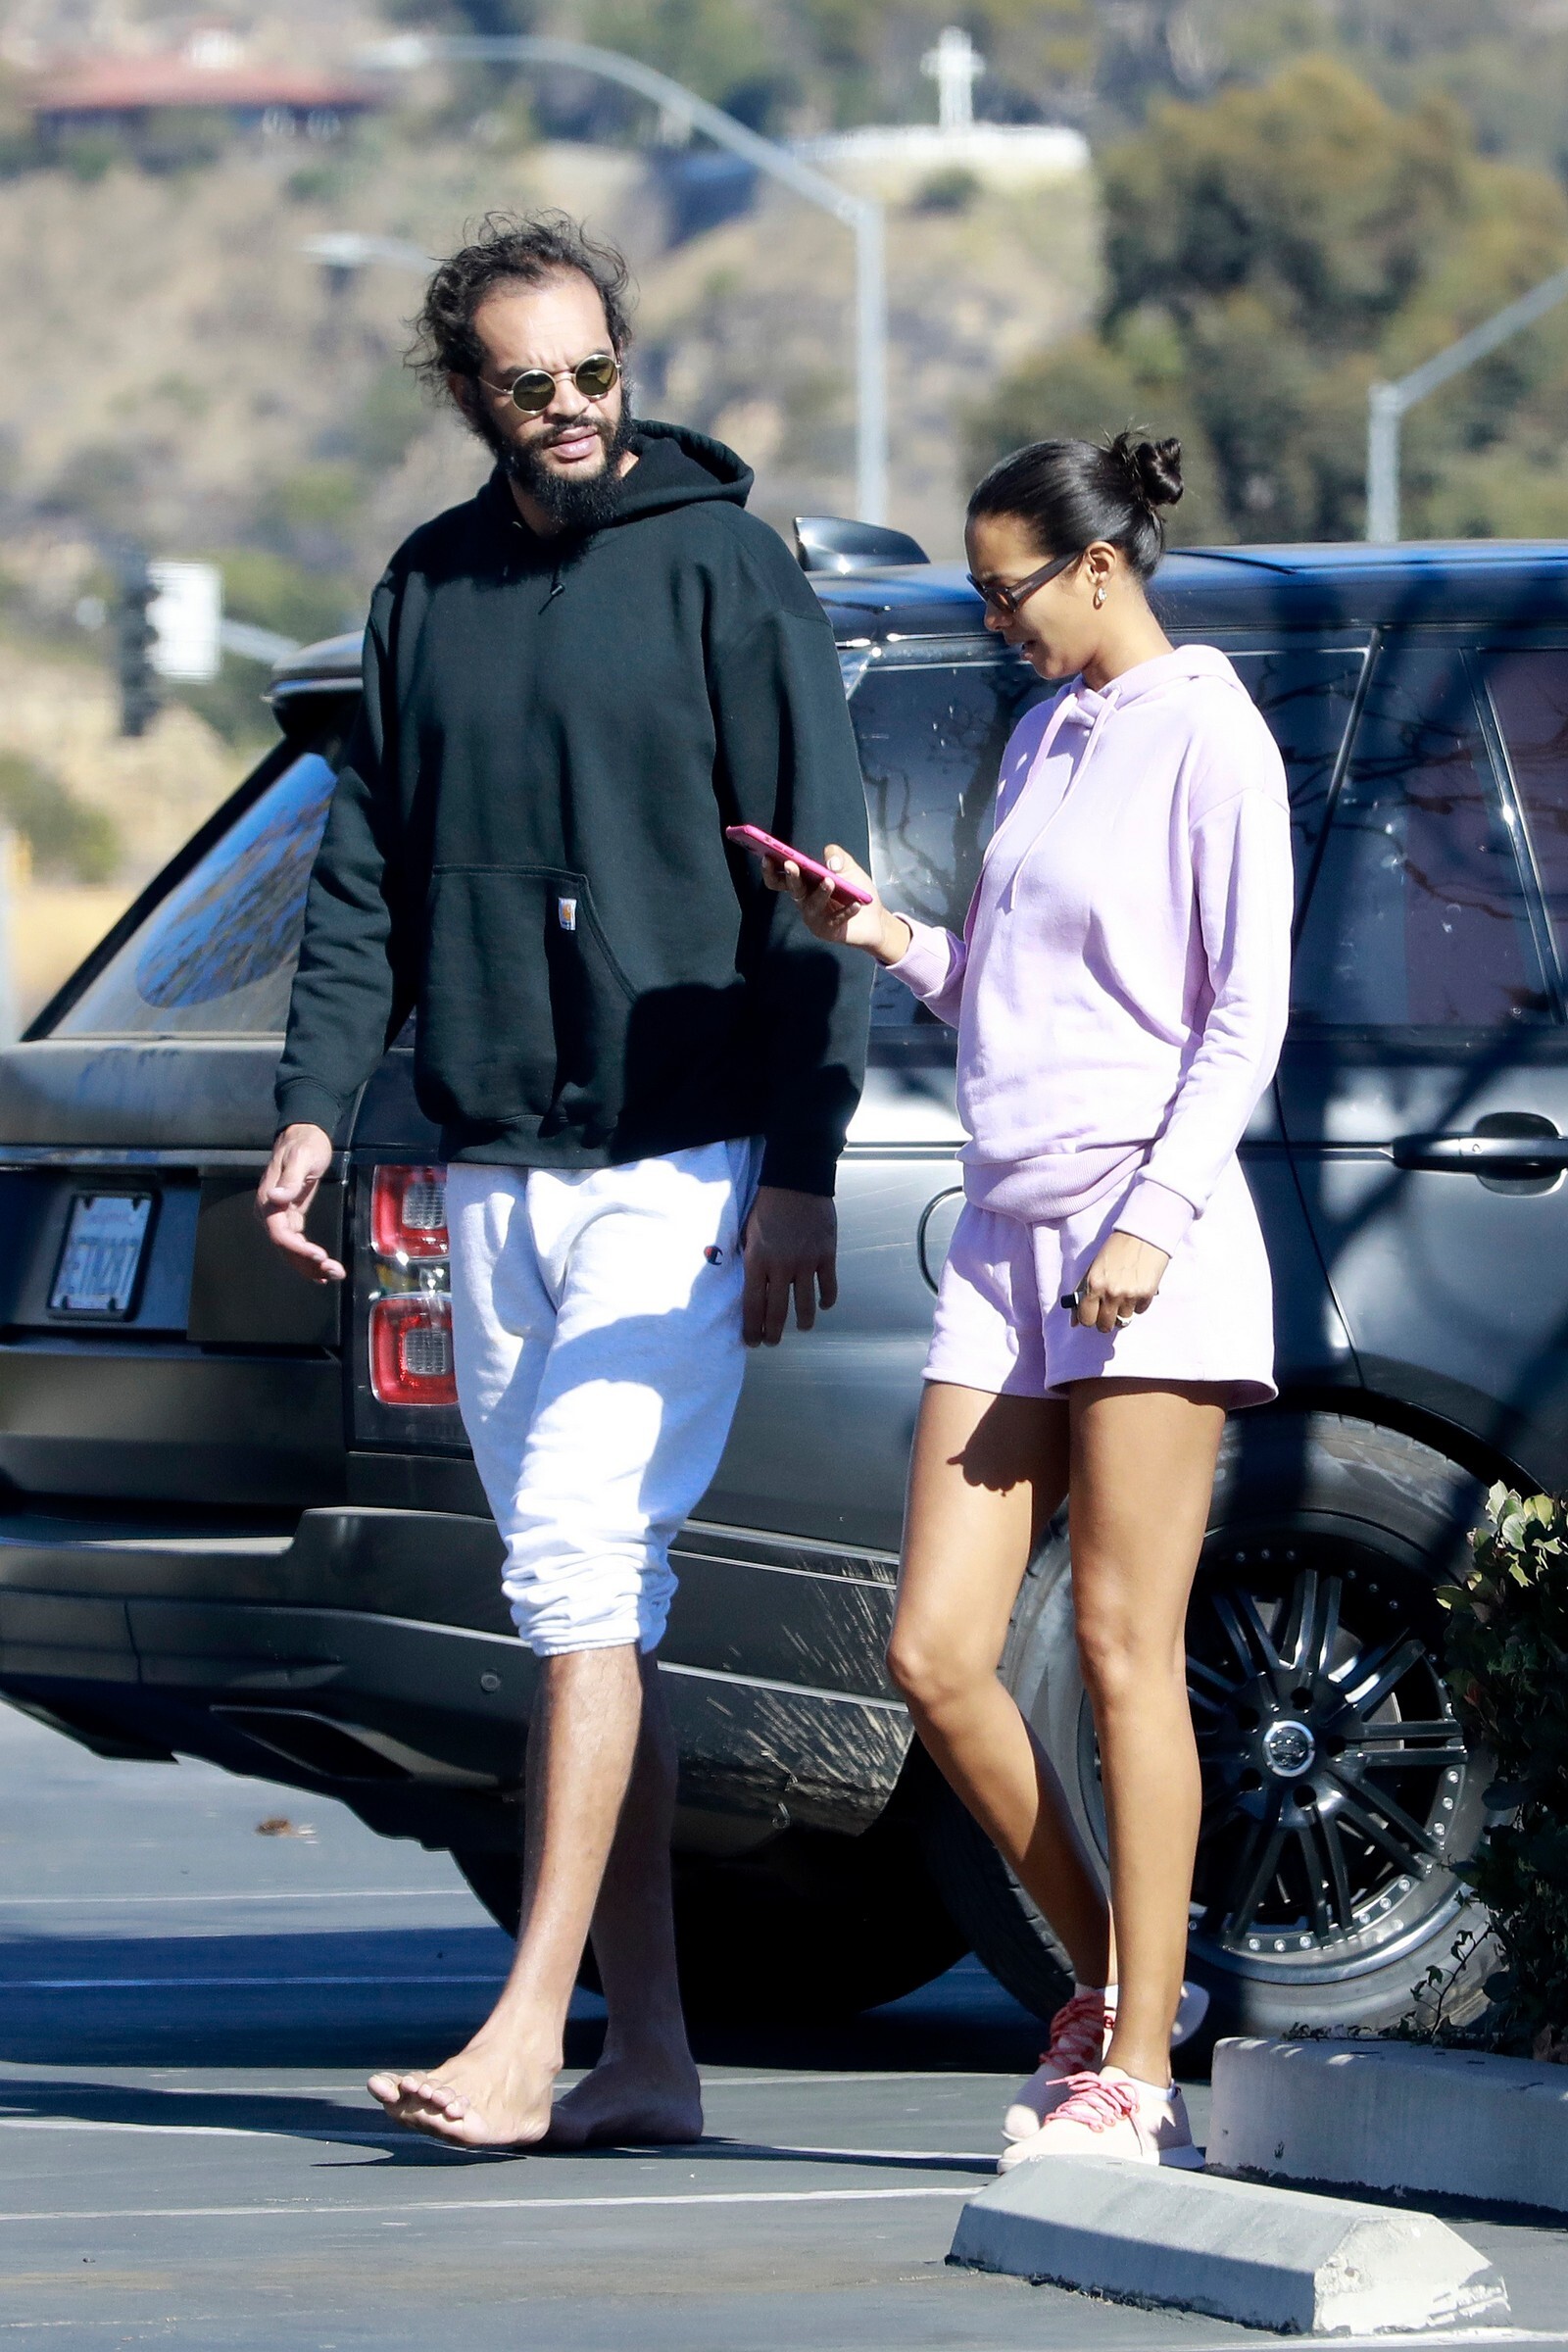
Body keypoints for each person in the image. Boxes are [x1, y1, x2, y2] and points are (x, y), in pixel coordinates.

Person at [255, 212, 871, 2150]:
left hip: (678, 1158)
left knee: (582, 1574)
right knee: (588, 1614)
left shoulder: (724, 569)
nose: (575, 408)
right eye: (532, 385)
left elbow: (822, 888)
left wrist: (800, 1165)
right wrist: (314, 1108)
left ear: (626, 360)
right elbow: (366, 874)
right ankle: (654, 2054)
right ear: (472, 396)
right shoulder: (425, 590)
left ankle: (530, 2032)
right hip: (492, 1160)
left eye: (596, 370)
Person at [767, 430, 1292, 2169]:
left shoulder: (1208, 730)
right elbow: (1017, 988)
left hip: (1146, 1240)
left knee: (1127, 1653)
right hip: (1007, 1240)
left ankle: (1138, 2073)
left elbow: (1243, 1012)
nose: (996, 625)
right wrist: (888, 937)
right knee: (936, 1652)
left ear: (1100, 565)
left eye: (1007, 595)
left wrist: (1157, 1216)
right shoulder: (1048, 729)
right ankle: (1113, 1982)